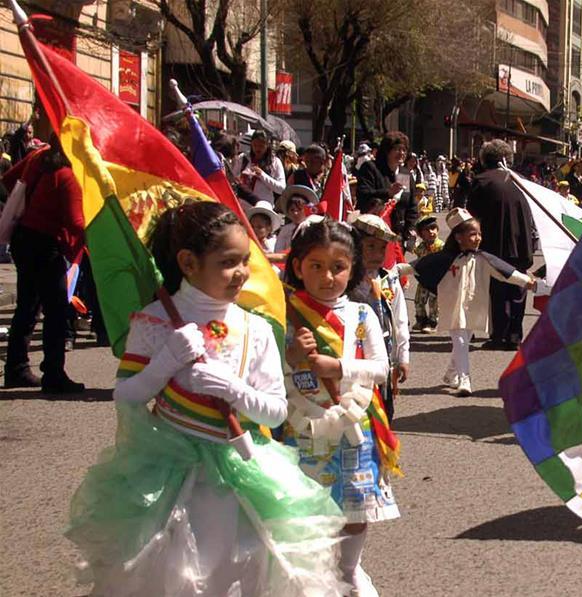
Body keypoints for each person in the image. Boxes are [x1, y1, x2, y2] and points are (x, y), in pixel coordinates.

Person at [66, 202, 344, 595]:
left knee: (244, 573)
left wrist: (230, 388)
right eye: (228, 262)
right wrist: (165, 361)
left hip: (244, 468)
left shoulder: (256, 329)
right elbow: (126, 395)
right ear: (188, 262)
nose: (242, 273)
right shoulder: (156, 319)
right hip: (168, 470)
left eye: (245, 260)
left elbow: (275, 409)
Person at [281, 218, 401, 596]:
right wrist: (293, 353)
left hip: (354, 426)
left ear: (352, 270)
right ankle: (314, 577)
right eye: (316, 266)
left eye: (338, 267)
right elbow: (266, 370)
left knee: (353, 508)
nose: (328, 276)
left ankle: (349, 569)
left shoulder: (361, 315)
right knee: (308, 509)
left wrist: (340, 368)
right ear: (298, 266)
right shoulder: (285, 314)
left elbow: (382, 368)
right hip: (300, 428)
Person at [412, 208, 536, 396]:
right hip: (453, 306)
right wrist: (392, 271)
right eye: (472, 234)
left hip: (473, 305)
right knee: (461, 338)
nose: (478, 238)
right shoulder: (445, 258)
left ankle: (450, 373)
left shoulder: (484, 259)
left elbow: (507, 273)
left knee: (464, 339)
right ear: (459, 237)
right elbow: (417, 266)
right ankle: (464, 379)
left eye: (479, 234)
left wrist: (529, 283)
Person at [3, 137, 85, 393]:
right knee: (57, 310)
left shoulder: (38, 158)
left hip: (23, 238)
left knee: (27, 306)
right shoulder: (67, 176)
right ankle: (53, 373)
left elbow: (8, 180)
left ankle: (16, 368)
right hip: (45, 245)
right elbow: (76, 223)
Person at [466, 139, 536, 349]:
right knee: (517, 289)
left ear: (484, 159)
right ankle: (514, 336)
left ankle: (499, 335)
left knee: (497, 290)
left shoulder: (481, 181)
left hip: (494, 242)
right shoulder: (519, 180)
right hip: (521, 241)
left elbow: (472, 216)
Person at [348, 214, 411, 423]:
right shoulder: (346, 282)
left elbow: (400, 319)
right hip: (355, 359)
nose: (377, 254)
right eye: (370, 247)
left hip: (384, 359)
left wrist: (403, 356)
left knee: (384, 416)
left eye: (382, 249)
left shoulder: (388, 279)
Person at [356, 132, 418, 247]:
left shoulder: (405, 174)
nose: (401, 153)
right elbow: (363, 194)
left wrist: (411, 228)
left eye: (404, 150)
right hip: (373, 233)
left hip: (397, 235)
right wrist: (387, 192)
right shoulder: (371, 168)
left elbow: (411, 204)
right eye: (397, 149)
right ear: (386, 151)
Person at [231, 130, 286, 207]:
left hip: (264, 206)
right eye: (255, 145)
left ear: (267, 145)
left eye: (261, 146)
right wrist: (241, 177)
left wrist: (262, 175)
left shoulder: (275, 162)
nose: (258, 149)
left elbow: (281, 189)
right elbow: (232, 180)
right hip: (243, 206)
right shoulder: (243, 158)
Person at [411, 214, 443, 332]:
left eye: (433, 228)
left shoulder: (441, 246)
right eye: (427, 230)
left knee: (434, 302)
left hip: (436, 279)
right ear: (421, 234)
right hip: (423, 279)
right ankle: (421, 319)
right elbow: (416, 253)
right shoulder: (421, 247)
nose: (431, 232)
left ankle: (432, 322)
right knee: (419, 300)